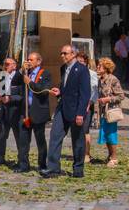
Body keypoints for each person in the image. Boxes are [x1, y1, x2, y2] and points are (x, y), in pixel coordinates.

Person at [45, 44, 89, 179]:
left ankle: (78, 169)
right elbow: (66, 89)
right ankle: (53, 168)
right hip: (62, 108)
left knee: (78, 141)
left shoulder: (82, 70)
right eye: (61, 53)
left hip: (76, 110)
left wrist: (81, 113)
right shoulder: (63, 68)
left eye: (65, 53)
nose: (62, 56)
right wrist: (59, 92)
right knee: (55, 136)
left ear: (73, 54)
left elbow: (85, 93)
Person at [0, 56, 26, 168]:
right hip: (4, 110)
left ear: (14, 65)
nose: (5, 66)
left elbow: (21, 95)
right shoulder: (2, 75)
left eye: (8, 64)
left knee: (18, 136)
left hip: (16, 111)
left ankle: (22, 161)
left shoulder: (20, 77)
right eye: (4, 64)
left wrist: (10, 98)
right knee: (1, 135)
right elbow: (0, 93)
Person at [94, 57, 123, 166]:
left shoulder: (113, 79)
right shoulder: (100, 80)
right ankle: (110, 155)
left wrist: (108, 99)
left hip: (111, 111)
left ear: (106, 68)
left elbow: (121, 96)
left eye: (99, 66)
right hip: (103, 111)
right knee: (105, 134)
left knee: (111, 134)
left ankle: (114, 158)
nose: (97, 67)